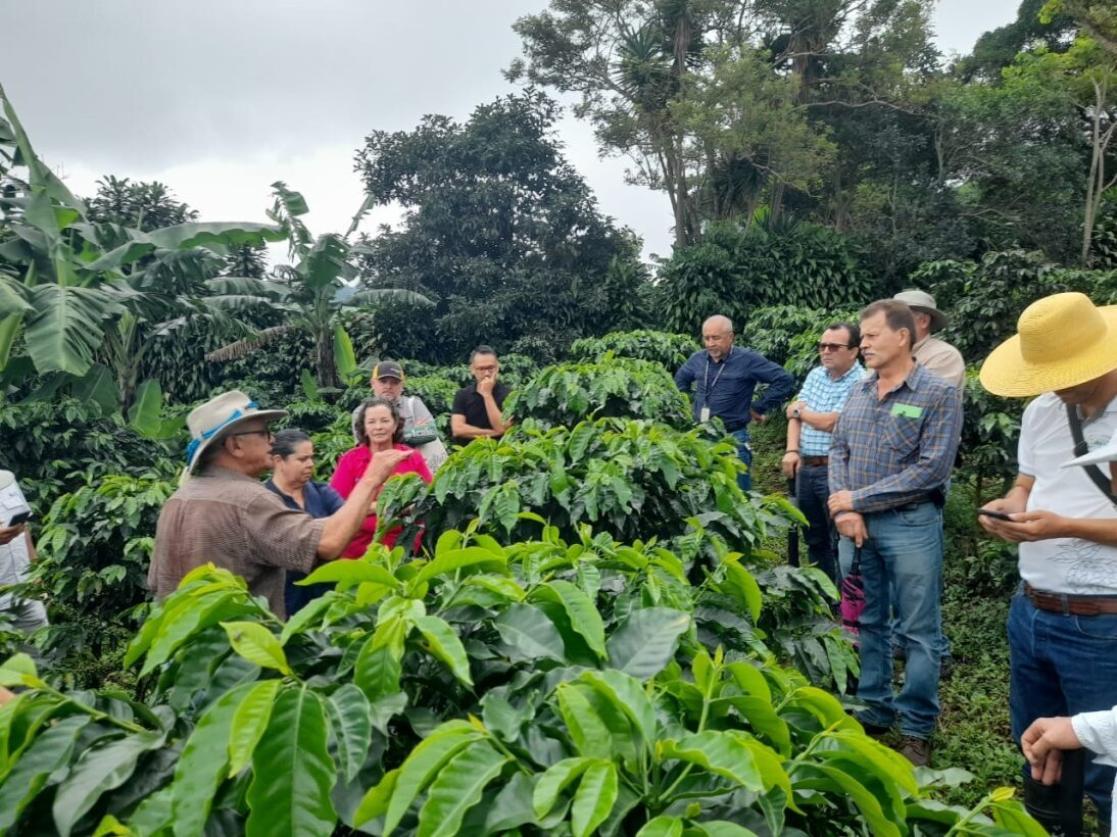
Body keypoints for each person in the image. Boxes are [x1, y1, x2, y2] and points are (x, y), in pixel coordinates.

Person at [978, 292, 1117, 834]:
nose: (1060, 386)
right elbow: (1025, 486)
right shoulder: (1042, 411)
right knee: (1040, 753)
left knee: (1107, 761)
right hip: (1032, 612)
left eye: (1069, 374)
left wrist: (1062, 526)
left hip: (1103, 624)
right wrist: (1008, 511)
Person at [828, 299, 963, 767]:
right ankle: (873, 708)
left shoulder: (937, 395)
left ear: (902, 336)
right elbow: (838, 450)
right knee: (867, 620)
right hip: (856, 527)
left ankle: (917, 728)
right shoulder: (859, 392)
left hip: (910, 526)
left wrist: (858, 501)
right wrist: (843, 509)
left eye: (870, 336)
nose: (862, 344)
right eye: (861, 337)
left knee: (920, 631)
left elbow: (930, 471)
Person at [150, 390, 409, 618]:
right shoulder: (250, 500)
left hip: (183, 653)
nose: (272, 440)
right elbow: (328, 543)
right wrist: (371, 479)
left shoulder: (178, 498)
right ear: (235, 445)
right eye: (263, 433)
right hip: (241, 654)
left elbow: (157, 582)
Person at [782, 323, 864, 585]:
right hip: (806, 467)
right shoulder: (816, 375)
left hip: (836, 470)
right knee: (813, 535)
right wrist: (792, 450)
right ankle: (822, 593)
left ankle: (844, 596)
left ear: (854, 351)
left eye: (834, 346)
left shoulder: (861, 382)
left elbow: (832, 422)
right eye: (822, 345)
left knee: (839, 535)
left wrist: (801, 412)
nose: (826, 351)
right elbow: (791, 415)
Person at [675, 315, 795, 491]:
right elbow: (680, 381)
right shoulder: (697, 359)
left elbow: (783, 379)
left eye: (716, 338)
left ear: (731, 337)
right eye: (706, 338)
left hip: (733, 437)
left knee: (738, 493)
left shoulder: (747, 360)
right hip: (700, 436)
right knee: (702, 490)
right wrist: (692, 403)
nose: (710, 343)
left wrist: (758, 407)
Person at [331, 397, 433, 558]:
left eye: (384, 421)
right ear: (364, 428)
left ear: (395, 426)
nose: (378, 427)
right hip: (357, 549)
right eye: (371, 422)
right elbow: (336, 506)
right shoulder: (350, 459)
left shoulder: (411, 457)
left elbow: (428, 498)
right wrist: (387, 507)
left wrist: (368, 508)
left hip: (403, 546)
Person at [265, 429, 344, 617]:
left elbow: (346, 522)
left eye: (311, 458)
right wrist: (323, 530)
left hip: (329, 596)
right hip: (285, 600)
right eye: (302, 459)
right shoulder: (264, 500)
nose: (310, 464)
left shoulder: (321, 491)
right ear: (278, 461)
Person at [352, 360, 449, 472]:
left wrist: (387, 437)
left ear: (402, 386)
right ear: (373, 383)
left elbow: (431, 433)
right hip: (380, 471)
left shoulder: (413, 405)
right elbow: (364, 445)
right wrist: (414, 433)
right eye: (383, 381)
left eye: (394, 382)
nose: (388, 386)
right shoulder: (360, 412)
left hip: (418, 469)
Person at [0, 471, 47, 632]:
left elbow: (24, 528)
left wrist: (36, 572)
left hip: (25, 592)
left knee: (42, 653)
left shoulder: (7, 481)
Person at [893, 289, 966, 388]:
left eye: (899, 318)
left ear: (924, 321)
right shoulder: (884, 353)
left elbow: (923, 399)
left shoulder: (944, 355)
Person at [451, 346, 510, 446]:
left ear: (497, 367)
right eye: (481, 369)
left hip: (501, 456)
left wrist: (487, 395)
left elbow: (502, 428)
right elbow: (458, 429)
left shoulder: (509, 395)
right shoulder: (462, 395)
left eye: (490, 368)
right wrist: (492, 433)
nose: (487, 373)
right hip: (467, 456)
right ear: (472, 369)